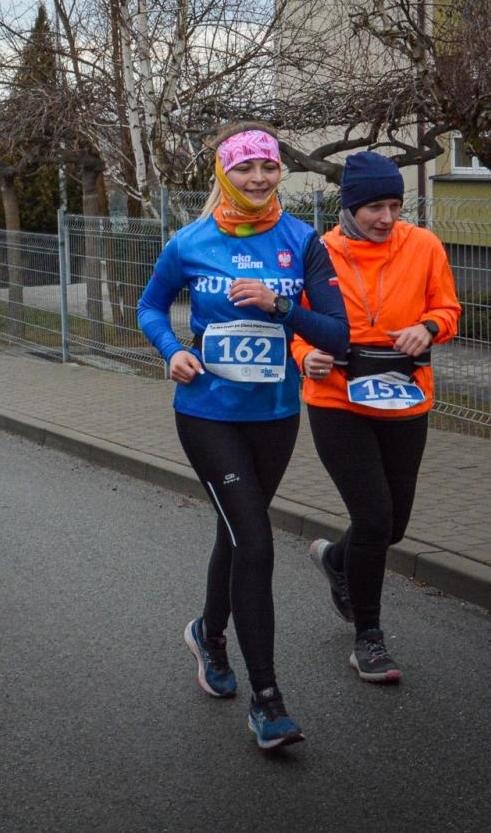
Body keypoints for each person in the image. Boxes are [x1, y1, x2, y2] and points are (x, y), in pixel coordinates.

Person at [136, 123, 349, 751]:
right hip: (206, 411)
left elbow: (336, 332)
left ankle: (209, 634)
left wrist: (281, 307)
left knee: (237, 531)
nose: (259, 178)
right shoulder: (189, 242)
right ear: (223, 174)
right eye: (245, 168)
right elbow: (149, 306)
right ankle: (267, 700)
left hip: (276, 414)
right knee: (255, 542)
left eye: (269, 167)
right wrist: (171, 350)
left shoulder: (303, 241)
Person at [291, 151, 460, 684]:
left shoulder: (424, 246)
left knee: (394, 524)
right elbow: (297, 322)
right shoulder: (318, 252)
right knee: (372, 517)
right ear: (349, 207)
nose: (386, 218)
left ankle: (337, 562)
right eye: (373, 208)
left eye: (394, 205)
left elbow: (448, 309)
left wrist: (429, 328)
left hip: (405, 399)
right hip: (338, 400)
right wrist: (305, 356)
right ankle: (368, 637)